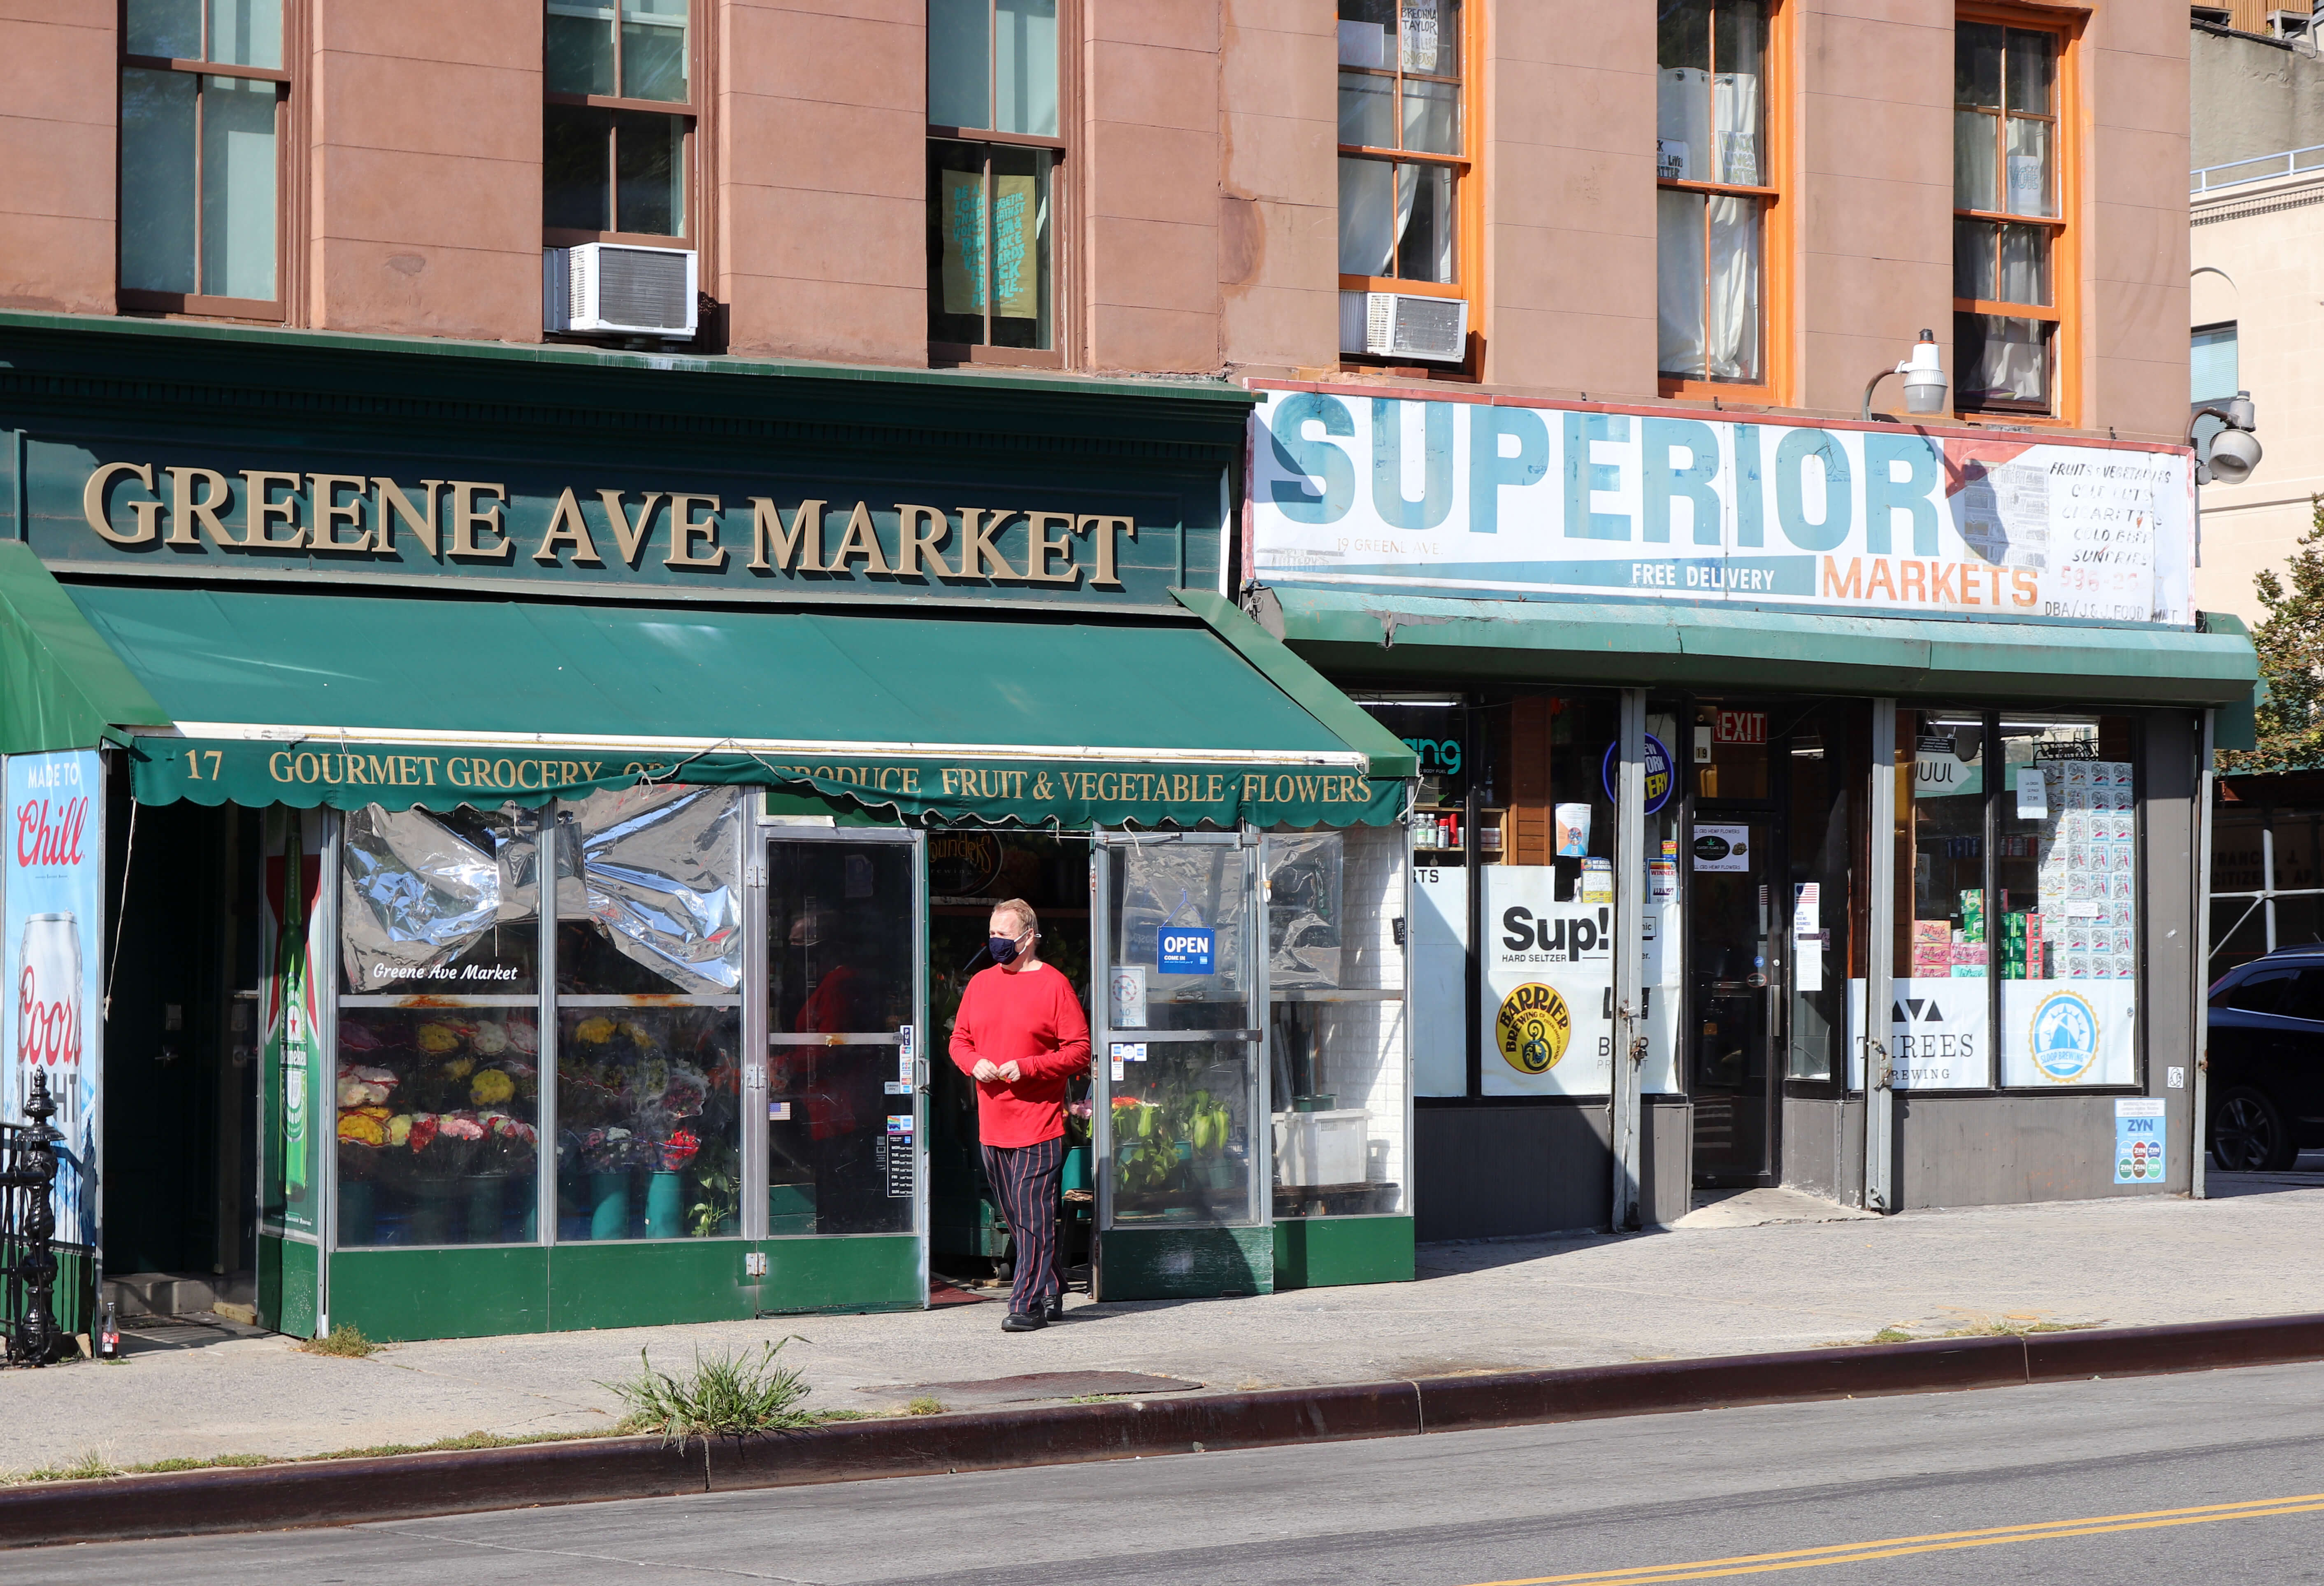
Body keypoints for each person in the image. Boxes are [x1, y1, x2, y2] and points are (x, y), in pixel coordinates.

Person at [949, 898, 1090, 1331]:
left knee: (1032, 1219)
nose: (995, 942)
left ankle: (1025, 1303)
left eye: (1003, 935)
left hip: (1038, 1123)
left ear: (1028, 937)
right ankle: (1051, 1285)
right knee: (1018, 1218)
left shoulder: (1054, 985)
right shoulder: (979, 985)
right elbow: (959, 1040)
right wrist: (973, 1063)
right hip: (993, 1126)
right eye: (991, 933)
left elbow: (1080, 1050)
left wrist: (1028, 1066)